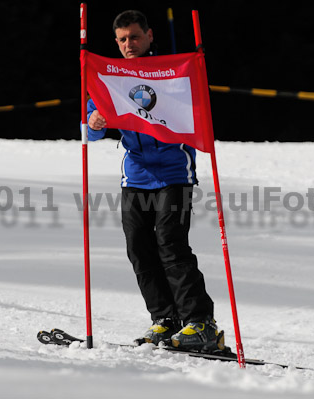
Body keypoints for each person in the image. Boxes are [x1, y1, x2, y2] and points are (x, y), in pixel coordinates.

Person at [86, 10, 223, 352]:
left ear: (148, 36)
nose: (128, 44)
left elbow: (194, 107)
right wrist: (95, 118)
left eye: (134, 37)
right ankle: (165, 319)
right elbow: (89, 124)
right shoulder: (112, 76)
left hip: (174, 172)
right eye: (122, 39)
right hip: (135, 176)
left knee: (171, 244)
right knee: (139, 248)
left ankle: (201, 322)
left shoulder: (170, 71)